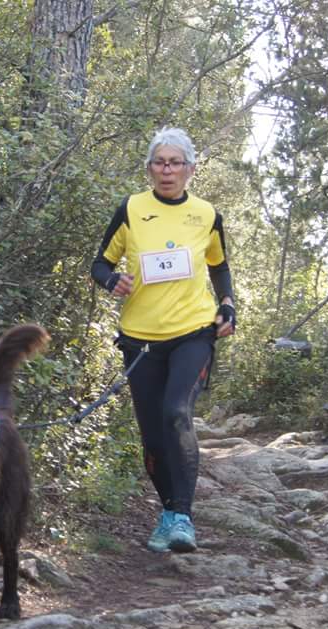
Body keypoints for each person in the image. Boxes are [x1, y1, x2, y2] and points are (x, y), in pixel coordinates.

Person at [90, 126, 236, 554]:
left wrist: (227, 304)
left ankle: (182, 519)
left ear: (190, 169)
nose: (166, 170)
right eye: (159, 162)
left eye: (175, 163)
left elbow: (220, 266)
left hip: (193, 332)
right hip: (141, 342)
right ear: (150, 168)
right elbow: (100, 263)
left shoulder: (207, 215)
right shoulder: (132, 209)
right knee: (153, 438)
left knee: (176, 413)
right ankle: (168, 513)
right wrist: (112, 280)